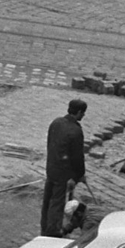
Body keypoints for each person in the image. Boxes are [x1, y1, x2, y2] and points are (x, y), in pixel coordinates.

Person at [42, 98, 88, 238]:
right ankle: (53, 231)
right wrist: (78, 175)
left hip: (51, 167)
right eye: (83, 113)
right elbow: (77, 157)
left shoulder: (56, 122)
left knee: (48, 199)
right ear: (79, 112)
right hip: (63, 172)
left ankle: (44, 226)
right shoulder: (75, 131)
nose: (83, 116)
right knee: (57, 201)